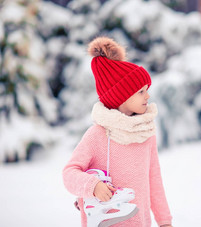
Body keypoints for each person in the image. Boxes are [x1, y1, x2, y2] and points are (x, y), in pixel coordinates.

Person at [63, 36, 173, 227]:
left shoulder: (145, 134)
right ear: (121, 96)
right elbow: (69, 174)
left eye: (147, 90)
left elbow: (154, 181)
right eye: (141, 91)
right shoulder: (97, 135)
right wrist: (93, 186)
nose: (148, 95)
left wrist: (164, 221)